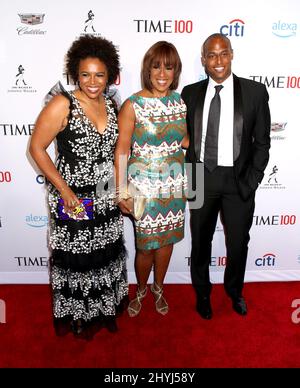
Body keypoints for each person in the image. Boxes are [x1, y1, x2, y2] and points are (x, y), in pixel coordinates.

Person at [29, 34, 128, 338]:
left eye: (100, 74)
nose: (92, 81)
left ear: (110, 73)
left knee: (103, 253)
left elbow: (118, 151)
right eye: (85, 74)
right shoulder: (63, 104)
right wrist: (65, 190)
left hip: (105, 196)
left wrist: (122, 189)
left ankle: (101, 308)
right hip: (73, 197)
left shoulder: (112, 104)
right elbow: (36, 148)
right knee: (78, 257)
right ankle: (78, 315)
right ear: (75, 72)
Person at [181, 33, 271, 319]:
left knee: (237, 243)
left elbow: (262, 142)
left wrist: (252, 179)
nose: (217, 61)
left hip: (237, 180)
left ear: (232, 54)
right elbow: (183, 139)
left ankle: (234, 291)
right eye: (211, 55)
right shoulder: (190, 93)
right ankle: (203, 294)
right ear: (203, 60)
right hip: (201, 178)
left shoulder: (255, 92)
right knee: (200, 242)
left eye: (223, 54)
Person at [115, 41, 189, 317]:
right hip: (142, 186)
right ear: (148, 69)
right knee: (145, 245)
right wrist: (120, 189)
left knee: (167, 242)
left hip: (174, 184)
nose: (162, 73)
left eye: (168, 67)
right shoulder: (132, 104)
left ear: (175, 71)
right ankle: (142, 289)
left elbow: (182, 140)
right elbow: (122, 148)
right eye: (156, 66)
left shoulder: (179, 101)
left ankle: (159, 286)